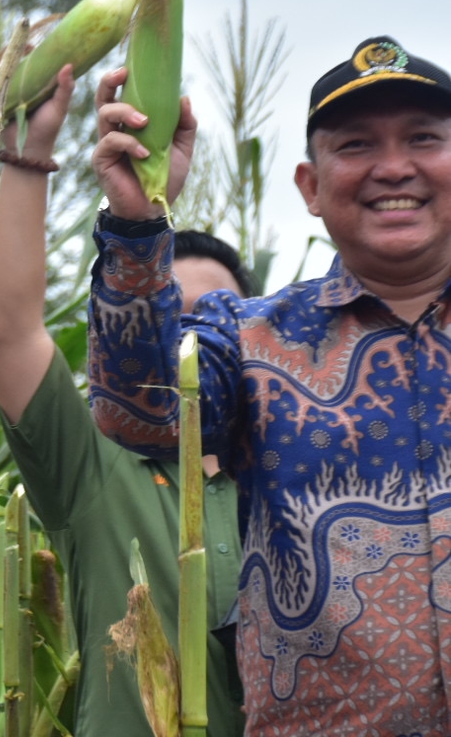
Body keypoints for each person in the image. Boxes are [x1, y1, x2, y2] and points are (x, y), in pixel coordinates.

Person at [86, 36, 451, 735]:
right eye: (356, 145)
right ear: (310, 188)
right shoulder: (249, 340)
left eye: (423, 138)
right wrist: (138, 220)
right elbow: (139, 414)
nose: (394, 166)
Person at [0, 67, 247, 737]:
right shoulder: (97, 465)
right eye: (160, 320)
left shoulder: (303, 462)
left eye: (210, 320)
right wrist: (26, 156)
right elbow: (11, 330)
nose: (182, 345)